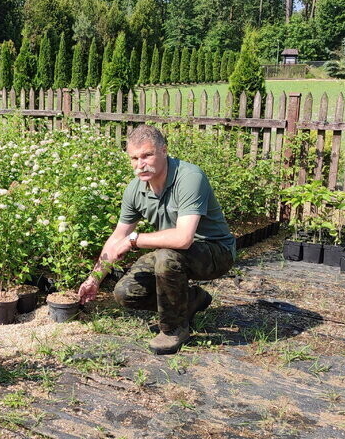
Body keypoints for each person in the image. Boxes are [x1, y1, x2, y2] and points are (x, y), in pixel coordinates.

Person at [77, 124, 235, 355]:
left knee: (166, 257)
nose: (140, 164)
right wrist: (94, 279)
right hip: (171, 254)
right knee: (127, 292)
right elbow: (116, 237)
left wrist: (134, 240)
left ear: (164, 150)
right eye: (134, 158)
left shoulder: (189, 177)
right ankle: (190, 300)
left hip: (215, 252)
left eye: (147, 155)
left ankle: (173, 329)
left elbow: (183, 239)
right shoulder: (135, 189)